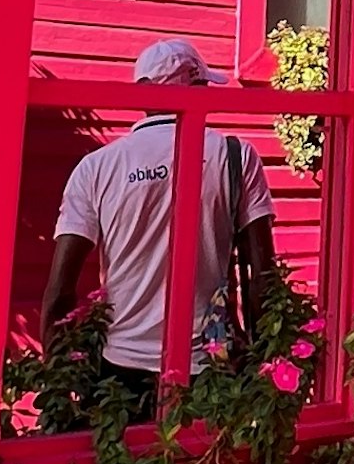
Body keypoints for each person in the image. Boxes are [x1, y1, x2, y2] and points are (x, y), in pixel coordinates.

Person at [43, 38, 282, 427]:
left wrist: (58, 387)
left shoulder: (97, 167)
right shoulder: (235, 157)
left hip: (119, 367)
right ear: (198, 89)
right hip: (208, 366)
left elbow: (59, 292)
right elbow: (263, 277)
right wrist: (267, 363)